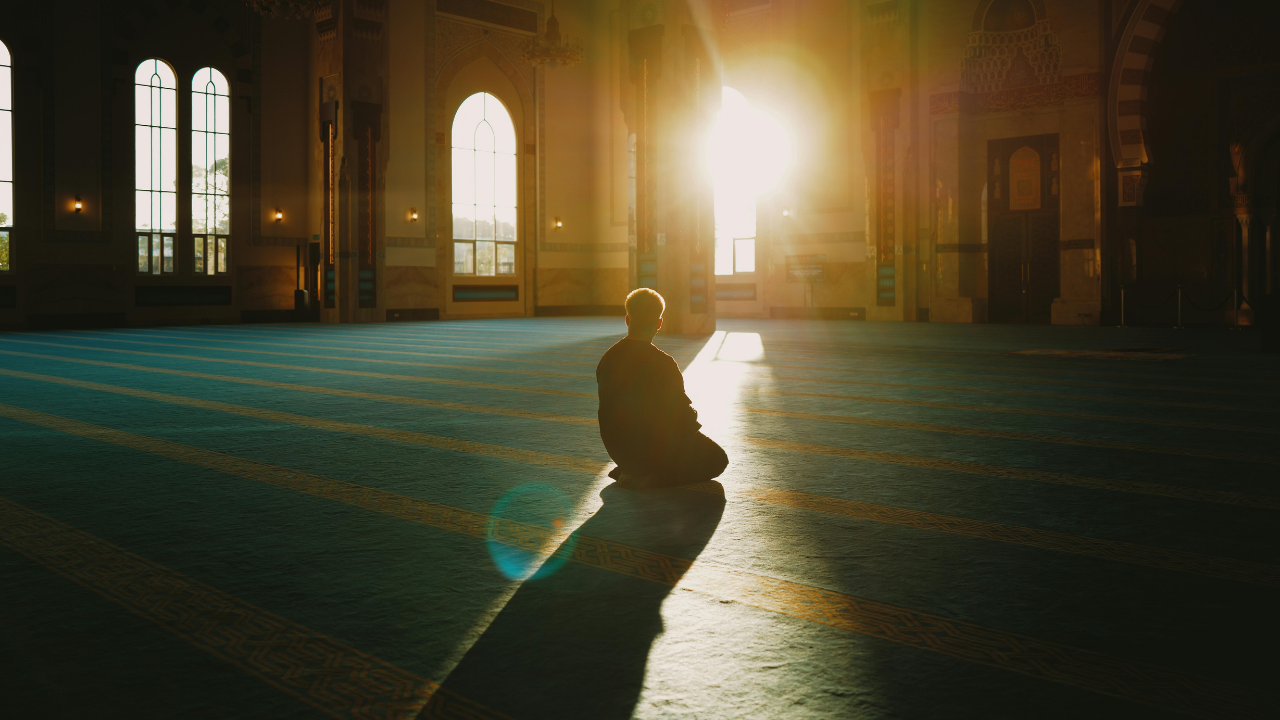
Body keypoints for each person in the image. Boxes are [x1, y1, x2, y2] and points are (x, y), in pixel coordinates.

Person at [596, 288, 729, 489]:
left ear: (627, 319)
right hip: (653, 451)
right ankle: (652, 477)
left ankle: (630, 470)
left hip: (619, 450)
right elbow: (681, 420)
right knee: (717, 459)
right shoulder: (664, 363)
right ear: (659, 323)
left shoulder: (608, 359)